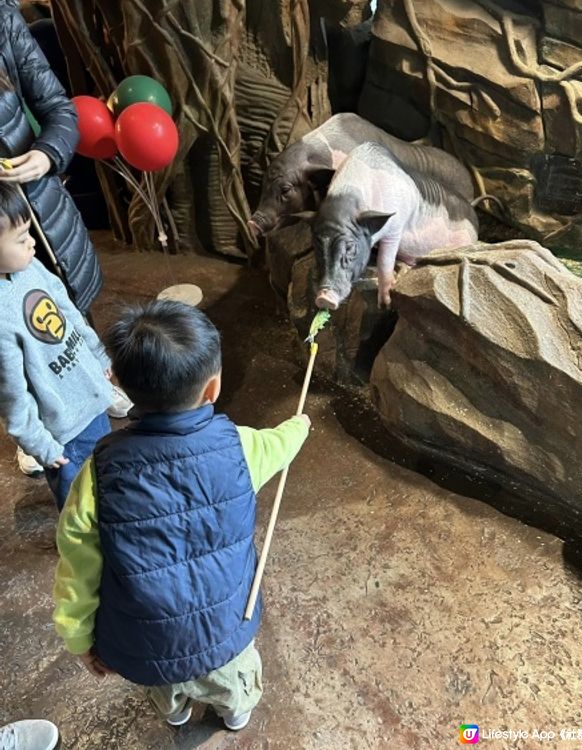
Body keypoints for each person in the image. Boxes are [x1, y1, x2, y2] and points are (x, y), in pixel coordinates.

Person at [53, 300, 311, 730]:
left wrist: (79, 639)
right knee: (234, 682)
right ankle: (235, 713)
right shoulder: (242, 447)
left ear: (117, 383)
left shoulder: (96, 474)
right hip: (225, 630)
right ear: (212, 389)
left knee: (165, 687)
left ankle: (176, 713)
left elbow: (77, 571)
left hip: (147, 645)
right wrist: (300, 426)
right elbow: (281, 444)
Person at [0, 5, 129, 477]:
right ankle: (37, 427)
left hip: (36, 207)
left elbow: (58, 108)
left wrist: (46, 154)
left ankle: (93, 387)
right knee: (13, 339)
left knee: (63, 304)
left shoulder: (3, 19)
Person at [0, 182, 114, 510]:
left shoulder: (31, 266)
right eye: (21, 239)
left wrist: (97, 355)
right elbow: (11, 397)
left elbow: (70, 314)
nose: (32, 242)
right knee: (79, 506)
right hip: (62, 435)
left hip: (92, 400)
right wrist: (41, 446)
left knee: (107, 482)